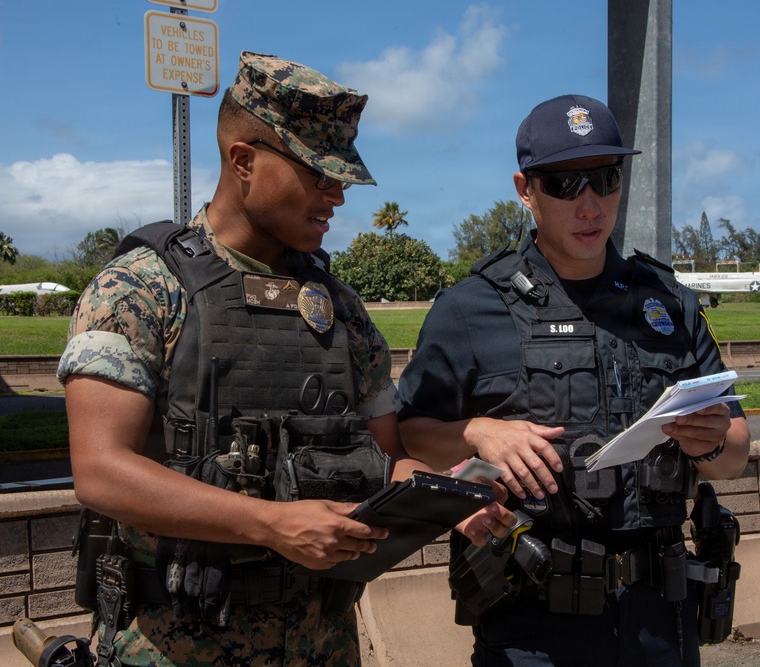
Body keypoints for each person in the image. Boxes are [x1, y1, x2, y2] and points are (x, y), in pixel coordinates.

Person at [59, 51, 507, 666]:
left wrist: (444, 497)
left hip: (321, 644)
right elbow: (101, 470)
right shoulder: (140, 289)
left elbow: (387, 461)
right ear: (243, 160)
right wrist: (269, 523)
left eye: (342, 179)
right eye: (319, 175)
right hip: (173, 645)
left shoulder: (341, 312)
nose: (337, 197)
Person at [397, 94, 752, 667]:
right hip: (535, 624)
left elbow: (734, 455)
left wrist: (709, 440)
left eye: (604, 180)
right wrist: (479, 432)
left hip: (661, 618)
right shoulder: (470, 309)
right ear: (525, 190)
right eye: (564, 185)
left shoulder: (669, 304)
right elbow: (408, 433)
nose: (590, 206)